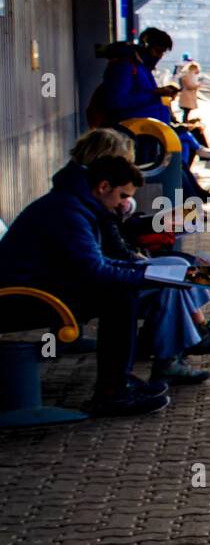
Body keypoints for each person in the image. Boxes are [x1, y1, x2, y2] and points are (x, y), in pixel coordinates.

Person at [69, 129, 210, 384]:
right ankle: (188, 341)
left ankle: (190, 337)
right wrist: (147, 268)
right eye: (125, 164)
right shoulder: (83, 201)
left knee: (184, 270)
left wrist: (161, 225)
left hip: (105, 267)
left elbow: (117, 238)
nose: (130, 168)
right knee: (175, 276)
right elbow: (109, 252)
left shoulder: (85, 192)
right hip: (81, 285)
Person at [0, 155, 166, 416]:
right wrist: (152, 276)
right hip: (19, 300)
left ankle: (117, 382)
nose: (125, 204)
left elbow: (96, 262)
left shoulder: (75, 205)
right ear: (103, 187)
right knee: (118, 297)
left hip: (37, 290)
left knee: (121, 292)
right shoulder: (68, 212)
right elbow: (94, 271)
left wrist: (148, 270)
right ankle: (112, 392)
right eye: (122, 196)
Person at [94, 28, 210, 201]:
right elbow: (116, 102)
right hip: (135, 135)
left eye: (162, 52)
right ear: (144, 46)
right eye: (157, 51)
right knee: (172, 168)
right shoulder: (125, 67)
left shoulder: (139, 67)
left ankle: (195, 201)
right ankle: (191, 206)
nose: (159, 56)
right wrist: (155, 94)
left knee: (177, 164)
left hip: (149, 132)